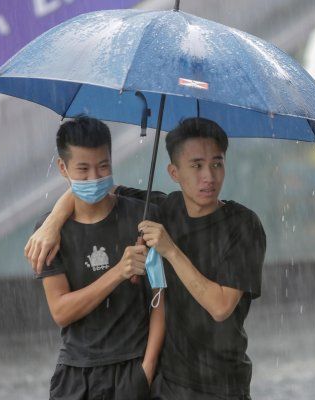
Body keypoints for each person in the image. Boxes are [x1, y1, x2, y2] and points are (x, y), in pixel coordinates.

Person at [27, 118, 266, 400]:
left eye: (217, 164)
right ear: (174, 172)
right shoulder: (163, 209)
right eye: (196, 165)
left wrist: (170, 250)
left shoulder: (242, 224)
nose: (209, 177)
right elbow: (96, 191)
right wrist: (52, 222)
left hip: (223, 383)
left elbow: (221, 307)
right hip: (168, 383)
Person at [33, 117, 164, 400]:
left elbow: (160, 299)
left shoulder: (141, 217)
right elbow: (61, 312)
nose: (95, 178)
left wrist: (147, 368)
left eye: (103, 166)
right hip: (76, 374)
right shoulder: (51, 234)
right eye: (83, 169)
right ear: (62, 168)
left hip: (132, 365)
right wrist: (118, 272)